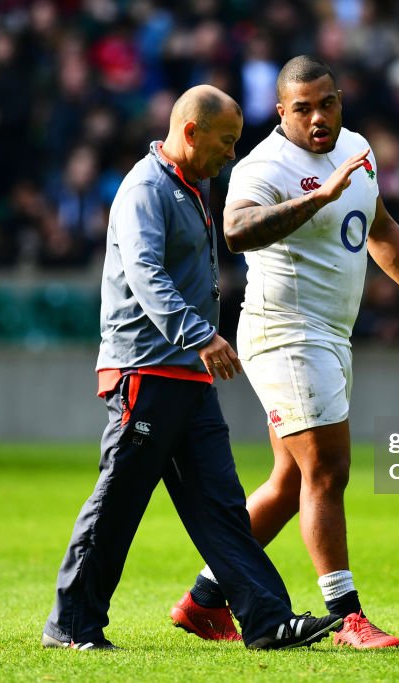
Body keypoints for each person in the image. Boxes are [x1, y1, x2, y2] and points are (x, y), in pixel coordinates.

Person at [170, 57, 399, 649]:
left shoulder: (357, 149)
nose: (317, 117)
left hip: (331, 332)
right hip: (286, 331)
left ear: (340, 100)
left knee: (289, 480)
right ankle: (346, 615)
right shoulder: (265, 164)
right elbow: (236, 228)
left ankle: (203, 601)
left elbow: (379, 227)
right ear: (281, 112)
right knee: (328, 471)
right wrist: (319, 196)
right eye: (302, 107)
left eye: (326, 102)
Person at [42, 85, 341, 651]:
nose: (231, 154)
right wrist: (202, 334)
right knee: (120, 499)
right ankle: (71, 624)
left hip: (186, 375)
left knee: (221, 506)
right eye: (225, 142)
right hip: (147, 369)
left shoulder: (188, 187)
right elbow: (145, 274)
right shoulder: (145, 188)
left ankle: (267, 620)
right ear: (190, 133)